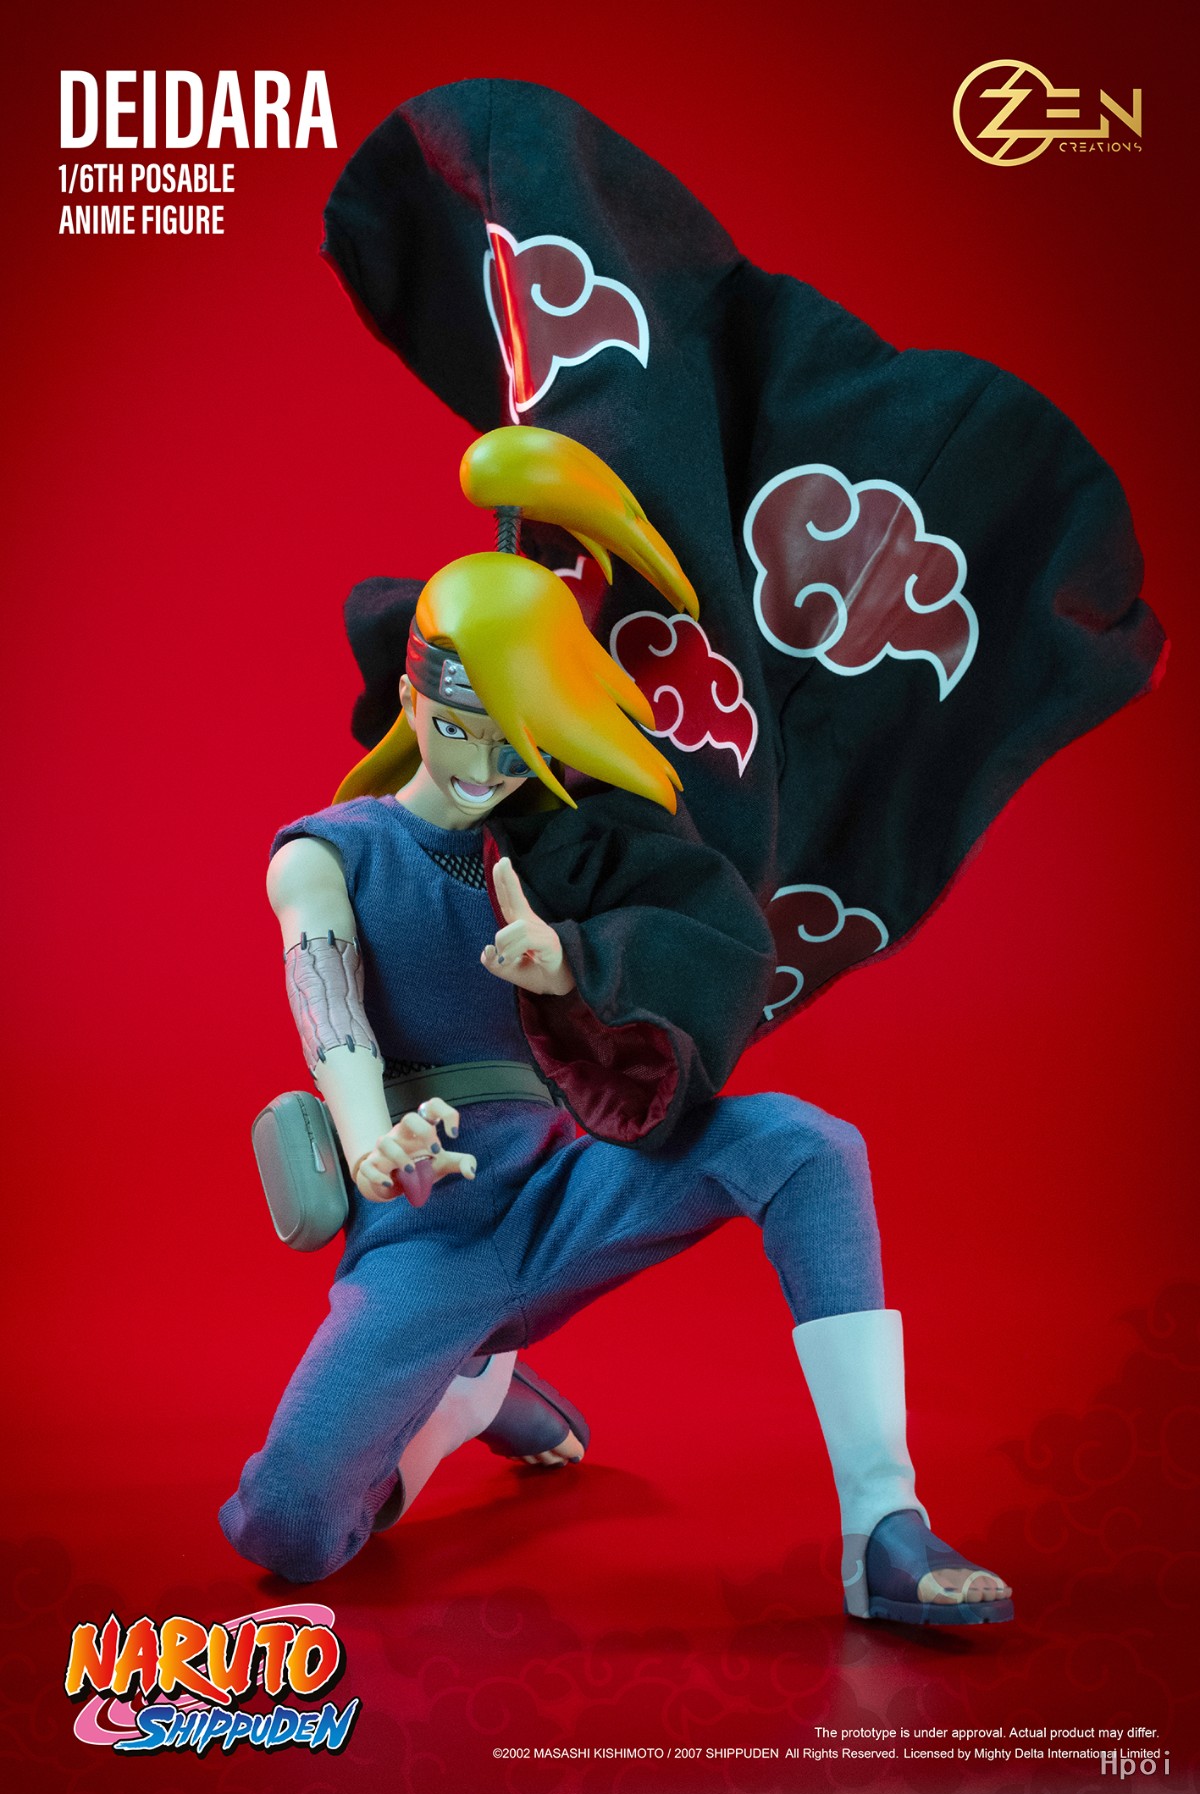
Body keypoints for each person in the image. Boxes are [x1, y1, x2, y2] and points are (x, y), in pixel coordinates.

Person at [221, 427, 1012, 1625]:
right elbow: (328, 1009)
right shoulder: (331, 855)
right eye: (462, 722)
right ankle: (472, 1392)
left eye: (520, 735)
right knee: (291, 1531)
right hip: (427, 1229)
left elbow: (692, 943)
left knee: (809, 1145)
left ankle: (885, 1525)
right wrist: (371, 1135)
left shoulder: (559, 841)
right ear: (412, 695)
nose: (489, 762)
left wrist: (573, 962)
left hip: (568, 1189)